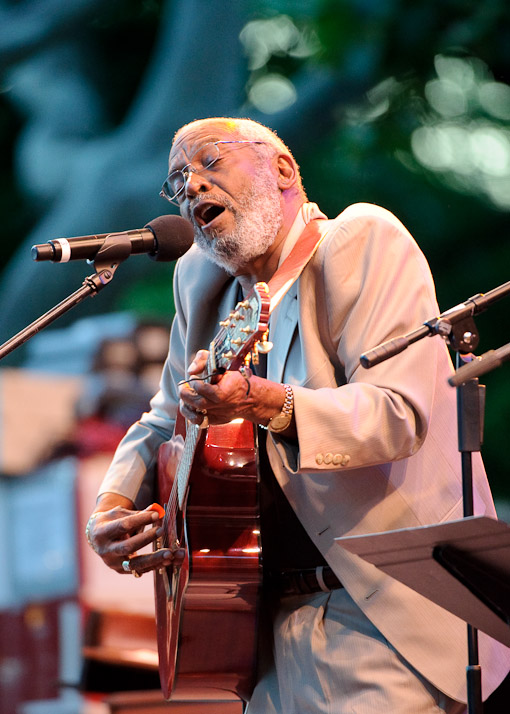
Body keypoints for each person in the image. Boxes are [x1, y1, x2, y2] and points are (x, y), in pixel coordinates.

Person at [85, 117, 509, 713]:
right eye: (178, 182)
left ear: (282, 169)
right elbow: (162, 420)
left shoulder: (360, 240)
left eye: (210, 163)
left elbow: (397, 414)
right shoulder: (201, 282)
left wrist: (261, 401)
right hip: (254, 626)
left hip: (375, 616)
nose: (192, 189)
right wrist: (111, 507)